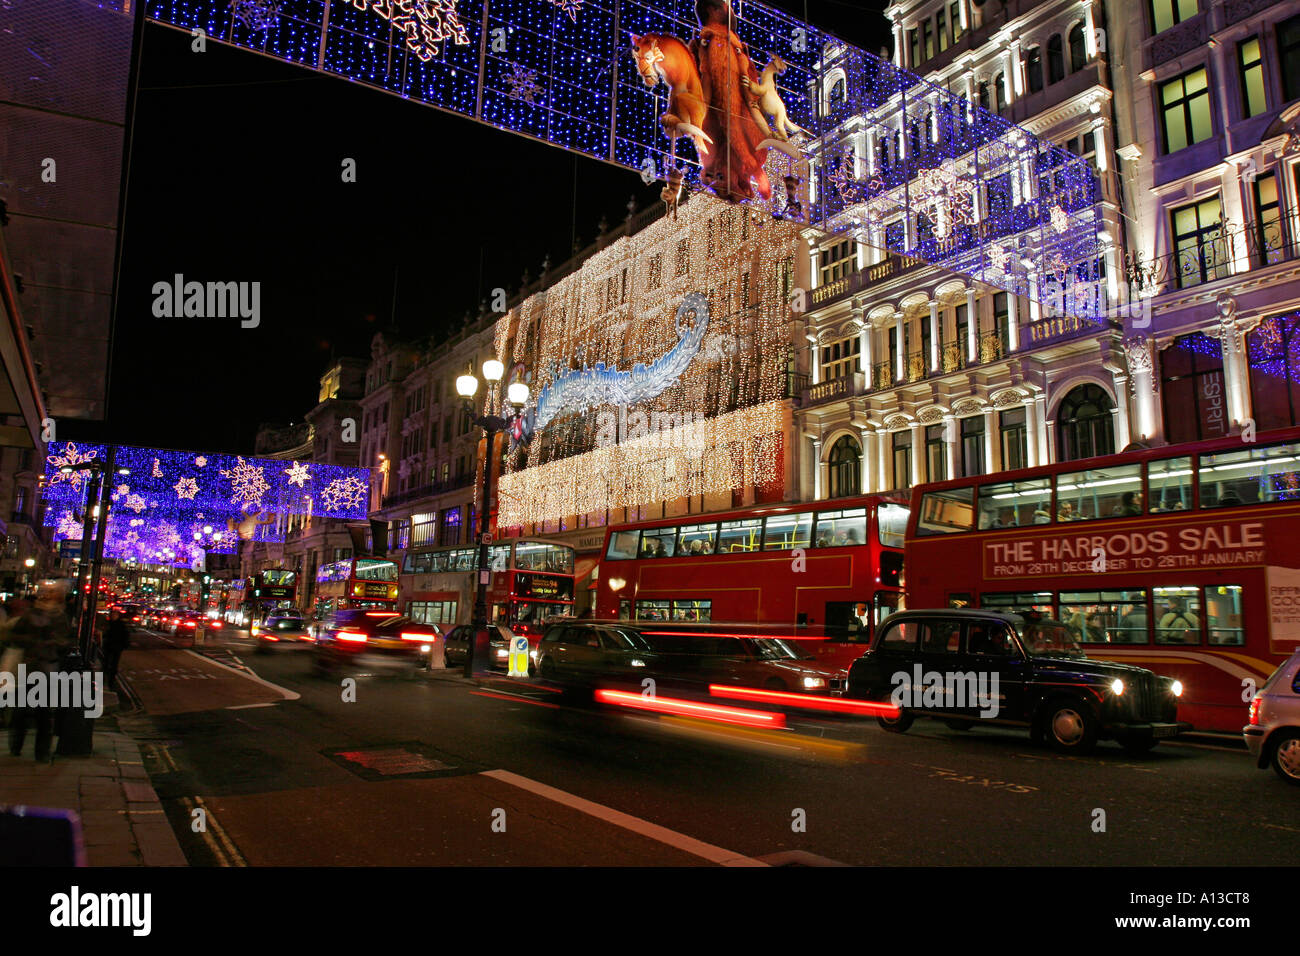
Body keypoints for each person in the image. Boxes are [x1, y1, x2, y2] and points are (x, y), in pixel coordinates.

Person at [6, 580, 74, 762]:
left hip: (47, 668)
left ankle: (42, 752)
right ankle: (16, 746)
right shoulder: (31, 614)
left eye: (54, 593)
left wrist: (55, 643)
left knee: (44, 713)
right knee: (21, 711)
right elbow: (15, 637)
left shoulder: (60, 617)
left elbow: (66, 642)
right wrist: (35, 641)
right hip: (29, 667)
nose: (50, 597)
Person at [102, 608, 131, 693]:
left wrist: (124, 644)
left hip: (116, 647)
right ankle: (107, 679)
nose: (113, 616)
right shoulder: (108, 624)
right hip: (109, 646)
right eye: (112, 615)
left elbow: (125, 635)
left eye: (114, 615)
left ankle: (111, 681)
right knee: (106, 663)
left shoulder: (120, 625)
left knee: (114, 664)